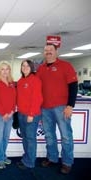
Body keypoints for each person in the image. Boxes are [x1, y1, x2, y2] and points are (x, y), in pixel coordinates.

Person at [36, 44, 78, 174]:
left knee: (66, 136)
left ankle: (67, 162)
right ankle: (52, 157)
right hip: (45, 108)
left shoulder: (66, 66)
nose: (48, 52)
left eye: (51, 50)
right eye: (46, 50)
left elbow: (73, 86)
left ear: (56, 52)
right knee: (49, 135)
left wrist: (70, 105)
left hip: (61, 107)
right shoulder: (41, 69)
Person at [16, 60, 43, 169]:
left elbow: (37, 98)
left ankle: (30, 162)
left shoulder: (35, 80)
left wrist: (31, 114)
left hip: (31, 115)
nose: (25, 67)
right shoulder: (20, 80)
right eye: (23, 65)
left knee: (30, 139)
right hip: (21, 114)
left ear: (31, 67)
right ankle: (26, 157)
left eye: (27, 65)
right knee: (25, 138)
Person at [0, 61, 16, 169]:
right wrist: (3, 113)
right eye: (3, 69)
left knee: (6, 137)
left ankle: (3, 155)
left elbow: (15, 98)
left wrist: (11, 111)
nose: (5, 71)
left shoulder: (12, 83)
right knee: (0, 137)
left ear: (9, 70)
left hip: (10, 115)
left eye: (7, 69)